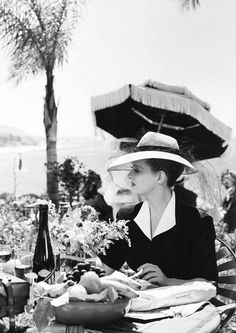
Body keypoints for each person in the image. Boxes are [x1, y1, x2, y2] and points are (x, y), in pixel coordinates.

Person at [99, 132, 218, 286]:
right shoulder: (127, 216)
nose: (129, 175)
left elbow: (209, 283)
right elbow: (107, 268)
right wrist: (77, 243)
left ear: (160, 177)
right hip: (139, 306)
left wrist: (167, 281)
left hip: (186, 308)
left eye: (137, 170)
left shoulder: (198, 221)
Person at [220, 170, 236, 244]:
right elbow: (224, 205)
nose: (225, 181)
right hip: (230, 220)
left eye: (227, 178)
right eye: (224, 179)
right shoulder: (229, 191)